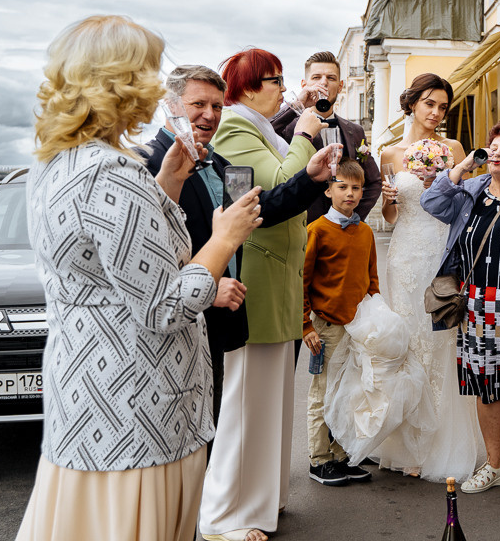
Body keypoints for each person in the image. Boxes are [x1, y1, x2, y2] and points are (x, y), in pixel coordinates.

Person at [18, 15, 262, 541]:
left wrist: (168, 181)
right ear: (124, 82)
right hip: (139, 406)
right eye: (150, 70)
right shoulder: (111, 171)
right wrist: (224, 240)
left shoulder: (55, 163)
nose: (157, 83)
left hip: (85, 401)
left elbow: (113, 267)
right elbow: (162, 307)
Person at [135, 65, 333, 438]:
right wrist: (208, 291)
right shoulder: (145, 162)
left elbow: (260, 211)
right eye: (198, 104)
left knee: (210, 426)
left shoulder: (218, 162)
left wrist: (310, 178)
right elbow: (145, 261)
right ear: (170, 104)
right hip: (180, 320)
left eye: (216, 105)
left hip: (220, 320)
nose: (209, 115)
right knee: (182, 433)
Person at [199, 48, 327, 541]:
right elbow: (273, 186)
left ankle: (264, 501)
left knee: (272, 400)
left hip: (278, 278)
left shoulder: (263, 128)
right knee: (245, 401)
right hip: (255, 279)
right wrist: (303, 137)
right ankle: (225, 514)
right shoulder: (237, 127)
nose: (282, 88)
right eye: (273, 80)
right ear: (249, 86)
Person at [420, 120, 500, 507]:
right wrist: (460, 169)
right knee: (486, 384)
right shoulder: (472, 190)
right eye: (492, 146)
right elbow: (432, 203)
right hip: (475, 302)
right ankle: (495, 465)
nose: (495, 153)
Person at [373, 73, 481, 481]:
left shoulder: (454, 149)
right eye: (429, 104)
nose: (436, 113)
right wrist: (387, 202)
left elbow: (469, 203)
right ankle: (409, 444)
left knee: (444, 341)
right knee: (411, 342)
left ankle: (443, 441)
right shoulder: (388, 153)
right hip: (405, 253)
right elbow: (390, 219)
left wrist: (446, 184)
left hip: (443, 250)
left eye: (442, 107)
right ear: (412, 104)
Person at [301, 157, 379, 487]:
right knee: (323, 394)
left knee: (349, 393)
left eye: (356, 188)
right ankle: (319, 459)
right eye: (342, 187)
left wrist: (375, 318)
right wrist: (305, 324)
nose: (349, 193)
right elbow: (302, 279)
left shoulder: (365, 232)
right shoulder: (317, 230)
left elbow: (371, 279)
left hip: (357, 327)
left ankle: (340, 455)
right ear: (329, 189)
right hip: (326, 327)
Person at [271, 51, 381, 224]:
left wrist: (353, 216)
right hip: (302, 229)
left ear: (340, 86)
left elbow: (374, 181)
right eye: (316, 77)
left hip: (345, 232)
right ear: (304, 84)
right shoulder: (289, 127)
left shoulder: (356, 131)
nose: (323, 83)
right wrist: (297, 104)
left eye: (331, 78)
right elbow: (265, 131)